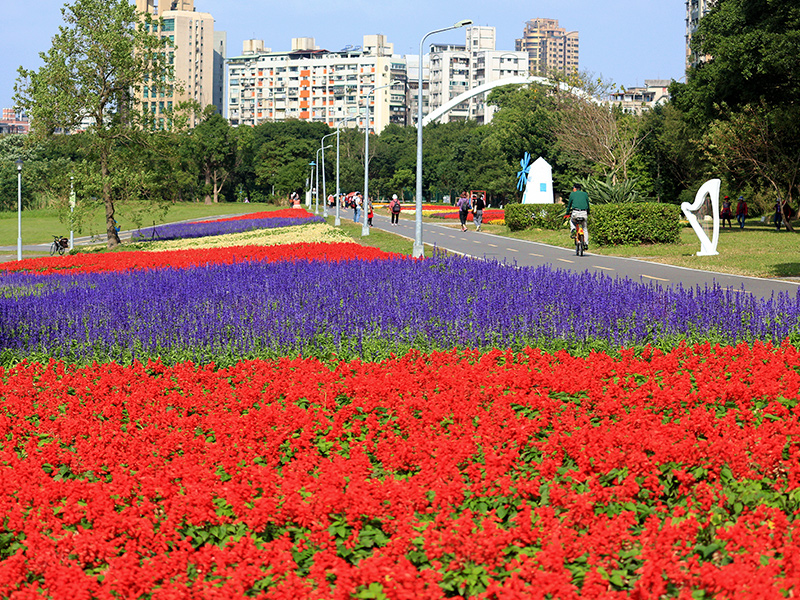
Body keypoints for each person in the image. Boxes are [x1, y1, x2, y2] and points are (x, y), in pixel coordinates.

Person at [565, 183, 591, 248]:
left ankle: (573, 230)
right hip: (584, 213)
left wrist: (567, 213)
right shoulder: (585, 194)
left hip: (575, 213)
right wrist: (588, 212)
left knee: (572, 221)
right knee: (584, 228)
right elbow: (588, 205)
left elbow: (569, 205)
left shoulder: (572, 194)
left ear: (575, 188)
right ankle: (586, 243)